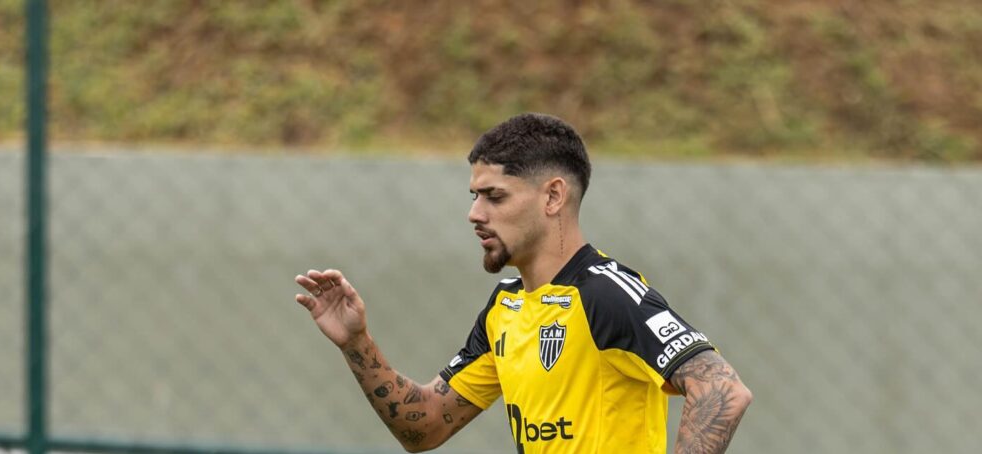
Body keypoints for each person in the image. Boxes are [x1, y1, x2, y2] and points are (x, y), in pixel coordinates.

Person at [295, 113, 752, 453]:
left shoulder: (605, 294)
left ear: (553, 196)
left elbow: (722, 390)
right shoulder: (506, 307)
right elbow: (426, 426)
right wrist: (356, 343)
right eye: (474, 196)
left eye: (494, 196)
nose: (474, 214)